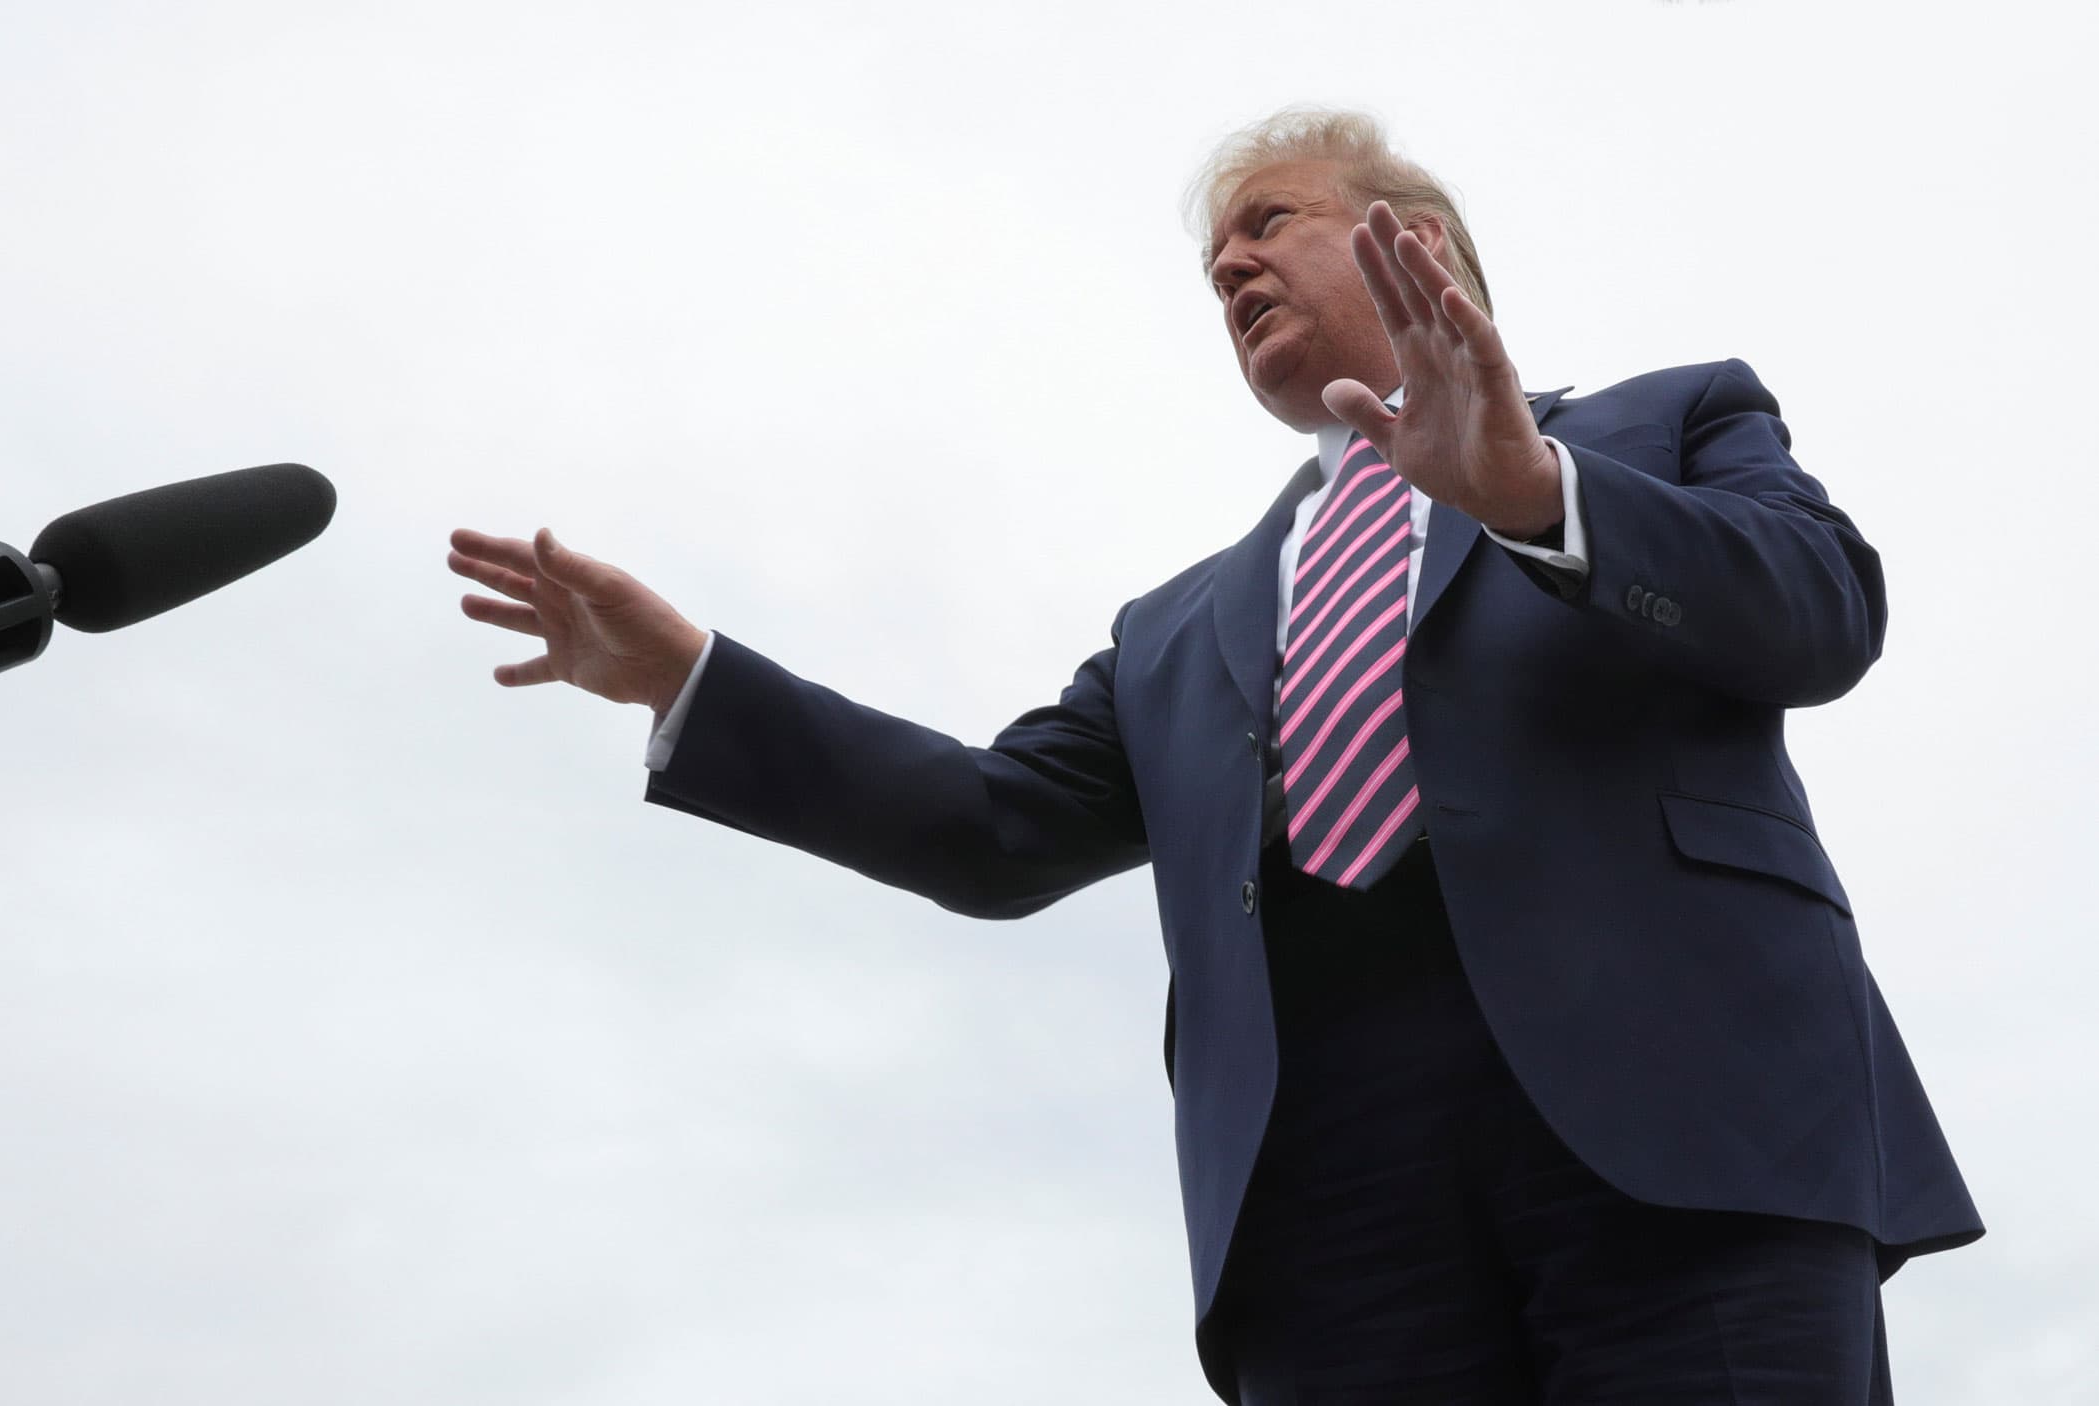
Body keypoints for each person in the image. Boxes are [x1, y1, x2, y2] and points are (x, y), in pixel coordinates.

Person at [449, 108, 1980, 1404]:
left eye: (1268, 222)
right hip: (1329, 1197)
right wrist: (692, 681)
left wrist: (1531, 491)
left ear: (1415, 247)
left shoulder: (1666, 424)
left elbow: (1824, 613)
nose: (1231, 265)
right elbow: (991, 827)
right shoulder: (1179, 630)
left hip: (1687, 1134)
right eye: (1212, 264)